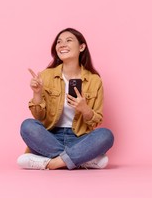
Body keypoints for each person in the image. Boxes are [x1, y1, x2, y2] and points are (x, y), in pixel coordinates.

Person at [17, 28, 114, 170]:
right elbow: (39, 116)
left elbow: (96, 120)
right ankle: (80, 160)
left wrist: (85, 109)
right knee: (27, 126)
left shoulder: (94, 80)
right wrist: (37, 93)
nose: (62, 45)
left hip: (79, 138)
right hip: (51, 136)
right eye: (59, 42)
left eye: (68, 40)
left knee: (106, 135)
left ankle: (51, 162)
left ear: (81, 47)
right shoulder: (46, 75)